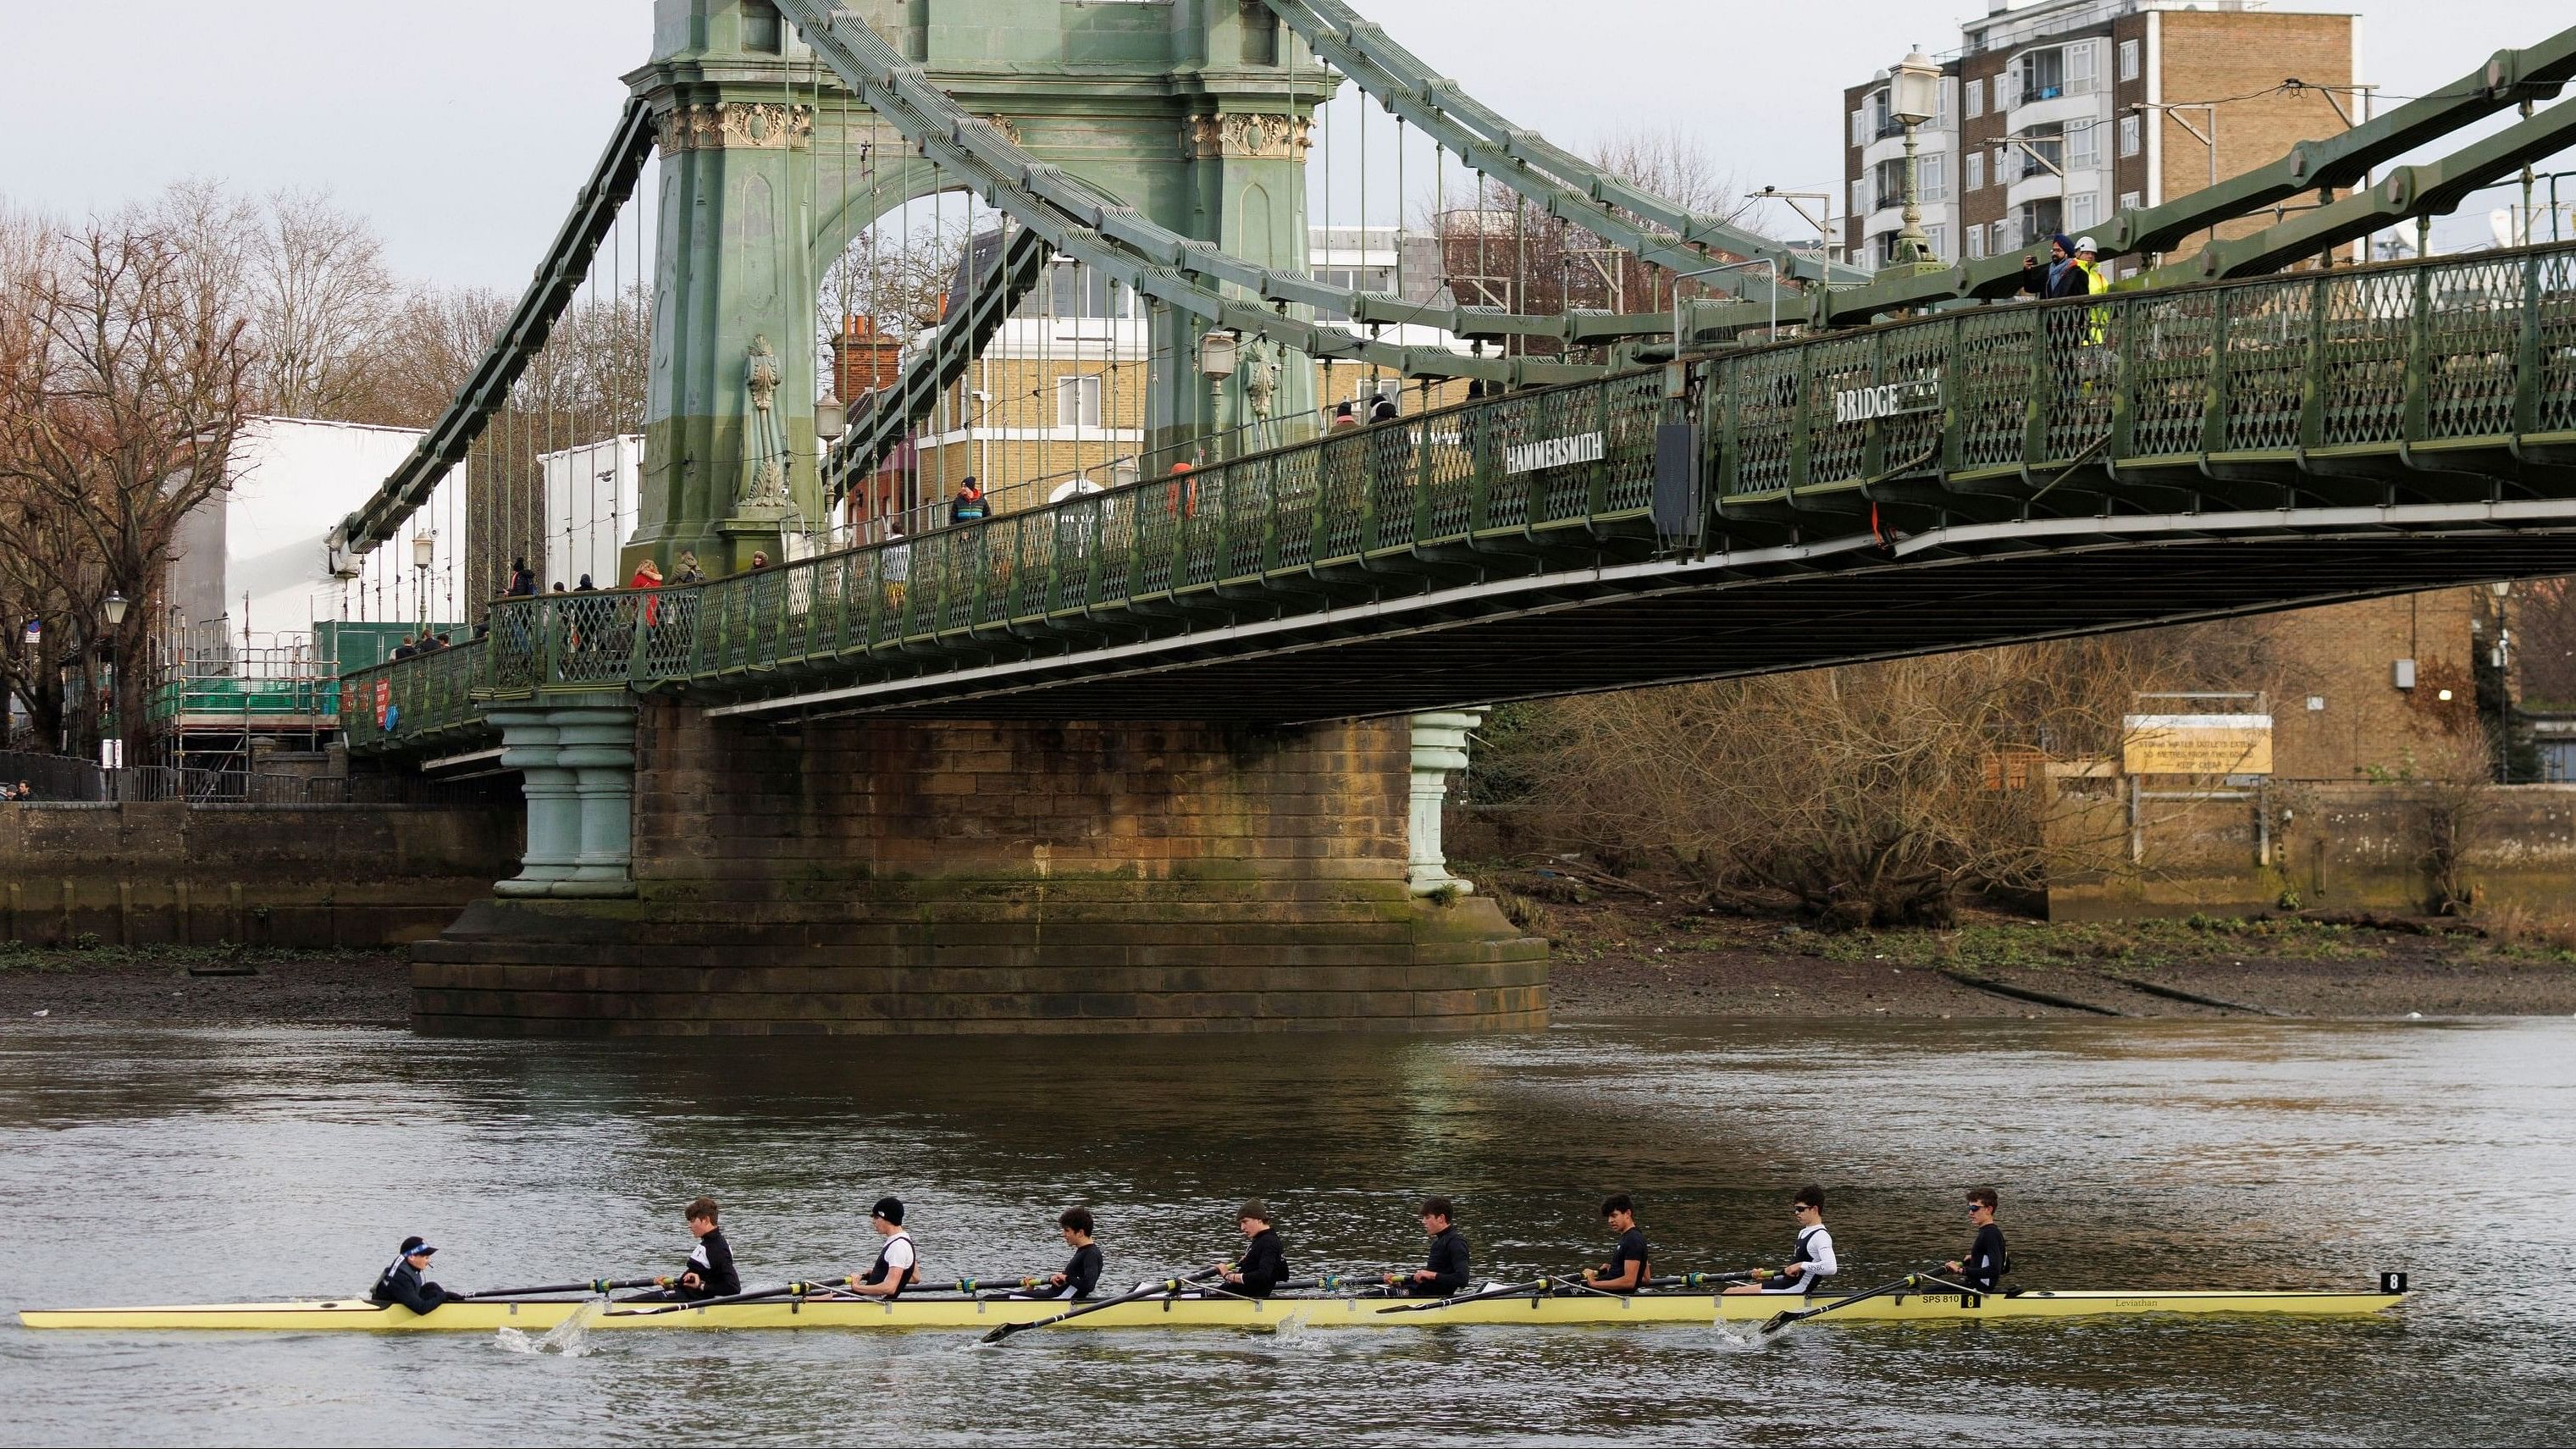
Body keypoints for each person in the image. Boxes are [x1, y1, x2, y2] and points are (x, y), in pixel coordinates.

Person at [1723, 1185, 1837, 1297]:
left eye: (1800, 1209)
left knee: (1730, 1293)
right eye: (1796, 1209)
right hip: (1787, 1284)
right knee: (1730, 1291)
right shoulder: (1803, 1232)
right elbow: (1793, 1272)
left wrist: (1801, 1265)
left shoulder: (1821, 1236)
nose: (1796, 1213)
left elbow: (1831, 1268)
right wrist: (1770, 1277)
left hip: (1797, 1290)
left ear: (1814, 1209)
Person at [664, 1196, 739, 1302]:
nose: (689, 1226)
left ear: (706, 1220)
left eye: (693, 1221)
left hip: (692, 1301)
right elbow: (702, 1277)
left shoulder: (718, 1248)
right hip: (683, 1294)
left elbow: (733, 1288)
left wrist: (701, 1285)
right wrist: (670, 1287)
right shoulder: (708, 1243)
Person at [1020, 1206, 1103, 1302]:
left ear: (1080, 1232)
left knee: (1006, 1297)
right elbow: (1072, 1283)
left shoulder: (1091, 1254)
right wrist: (1030, 1290)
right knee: (1011, 1295)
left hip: (1061, 1300)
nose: (1063, 1234)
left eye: (1067, 1230)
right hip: (1056, 1296)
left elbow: (1088, 1286)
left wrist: (1065, 1277)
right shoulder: (1084, 1251)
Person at [847, 1196, 918, 1299]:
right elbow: (914, 1277)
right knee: (827, 1296)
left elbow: (890, 1288)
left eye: (876, 1217)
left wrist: (856, 1286)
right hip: (869, 1300)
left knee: (820, 1299)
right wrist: (878, 1274)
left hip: (871, 1304)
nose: (873, 1221)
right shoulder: (905, 1239)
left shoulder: (898, 1247)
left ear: (887, 1218)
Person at [1398, 1196, 1470, 1297]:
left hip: (1431, 1298)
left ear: (1441, 1218)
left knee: (1371, 1295)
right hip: (1422, 1292)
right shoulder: (1438, 1242)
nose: (1423, 1222)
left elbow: (1462, 1279)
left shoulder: (1456, 1242)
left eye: (1427, 1217)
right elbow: (1430, 1281)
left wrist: (1430, 1274)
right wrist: (1400, 1282)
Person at [368, 1236, 460, 1314]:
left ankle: (457, 1305)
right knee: (440, 1295)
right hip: (383, 1310)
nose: (429, 1261)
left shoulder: (409, 1266)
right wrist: (444, 1296)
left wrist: (443, 1295)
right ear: (411, 1257)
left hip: (400, 1299)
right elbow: (421, 1309)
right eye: (426, 1257)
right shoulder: (400, 1277)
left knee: (432, 1286)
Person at [1219, 1200, 1288, 1298]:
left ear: (1259, 1219)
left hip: (1238, 1298)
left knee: (1190, 1296)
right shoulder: (1264, 1239)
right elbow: (1283, 1274)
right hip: (1233, 1294)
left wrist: (1227, 1275)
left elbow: (1263, 1276)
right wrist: (1250, 1260)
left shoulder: (1268, 1241)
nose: (1242, 1228)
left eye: (1245, 1221)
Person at [1583, 1193, 1650, 1292]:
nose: (1610, 1221)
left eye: (1614, 1216)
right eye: (1609, 1217)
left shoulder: (1632, 1240)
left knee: (1557, 1292)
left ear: (1627, 1214)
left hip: (1610, 1294)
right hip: (1610, 1289)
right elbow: (1646, 1279)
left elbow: (1629, 1282)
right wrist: (1615, 1269)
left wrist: (1593, 1283)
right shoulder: (1636, 1236)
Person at [1947, 1187, 2009, 1292]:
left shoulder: (1990, 1234)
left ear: (1988, 1210)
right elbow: (2005, 1266)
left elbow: (1995, 1270)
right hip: (1975, 1286)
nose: (1970, 1213)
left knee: (1928, 1292)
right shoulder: (1989, 1231)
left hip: (1980, 1289)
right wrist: (1976, 1259)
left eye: (1975, 1208)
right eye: (1970, 1208)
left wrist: (1961, 1270)